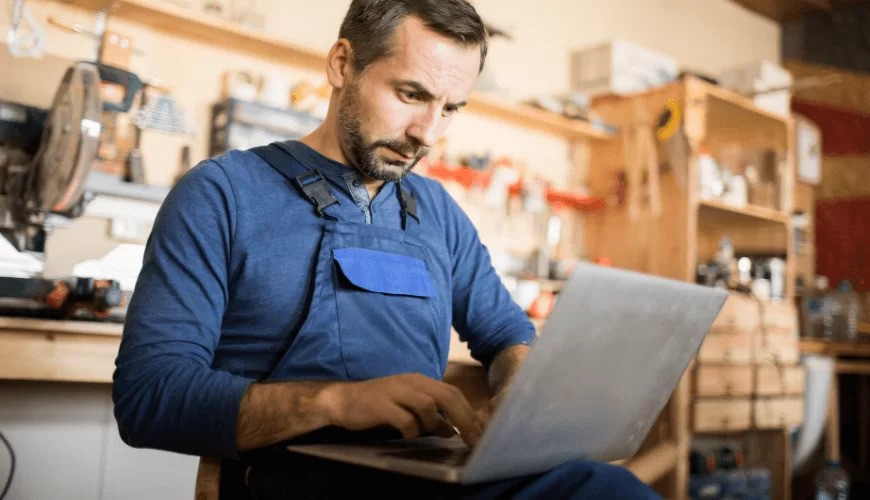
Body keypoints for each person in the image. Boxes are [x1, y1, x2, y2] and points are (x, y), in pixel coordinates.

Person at [112, 0, 661, 498]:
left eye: (450, 108)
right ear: (342, 64)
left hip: (423, 474)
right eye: (411, 94)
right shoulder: (221, 194)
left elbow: (507, 333)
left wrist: (518, 390)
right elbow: (149, 397)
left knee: (608, 488)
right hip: (291, 483)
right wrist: (336, 402)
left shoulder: (437, 211)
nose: (428, 133)